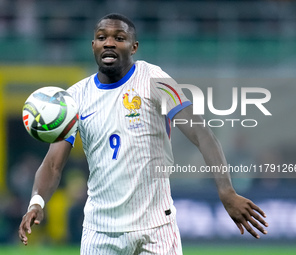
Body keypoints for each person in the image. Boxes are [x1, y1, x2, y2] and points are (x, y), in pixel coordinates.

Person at [18, 13, 268, 254]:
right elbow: (52, 164)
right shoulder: (74, 98)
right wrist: (36, 203)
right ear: (93, 45)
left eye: (119, 38)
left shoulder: (155, 80)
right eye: (102, 37)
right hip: (100, 231)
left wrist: (226, 191)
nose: (109, 43)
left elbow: (202, 134)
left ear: (134, 46)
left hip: (156, 227)